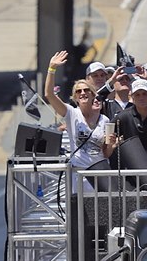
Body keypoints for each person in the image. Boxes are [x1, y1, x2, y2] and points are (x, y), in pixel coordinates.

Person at [44, 50, 116, 192]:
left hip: (100, 174)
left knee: (103, 212)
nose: (82, 93)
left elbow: (106, 153)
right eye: (78, 92)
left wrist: (112, 146)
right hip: (79, 175)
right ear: (75, 98)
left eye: (86, 90)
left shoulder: (105, 120)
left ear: (93, 94)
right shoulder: (71, 114)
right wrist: (52, 68)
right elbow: (49, 94)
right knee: (80, 213)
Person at [111, 79, 147, 159]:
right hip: (132, 164)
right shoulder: (123, 117)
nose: (141, 98)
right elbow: (108, 135)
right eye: (137, 95)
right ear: (132, 97)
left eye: (144, 94)